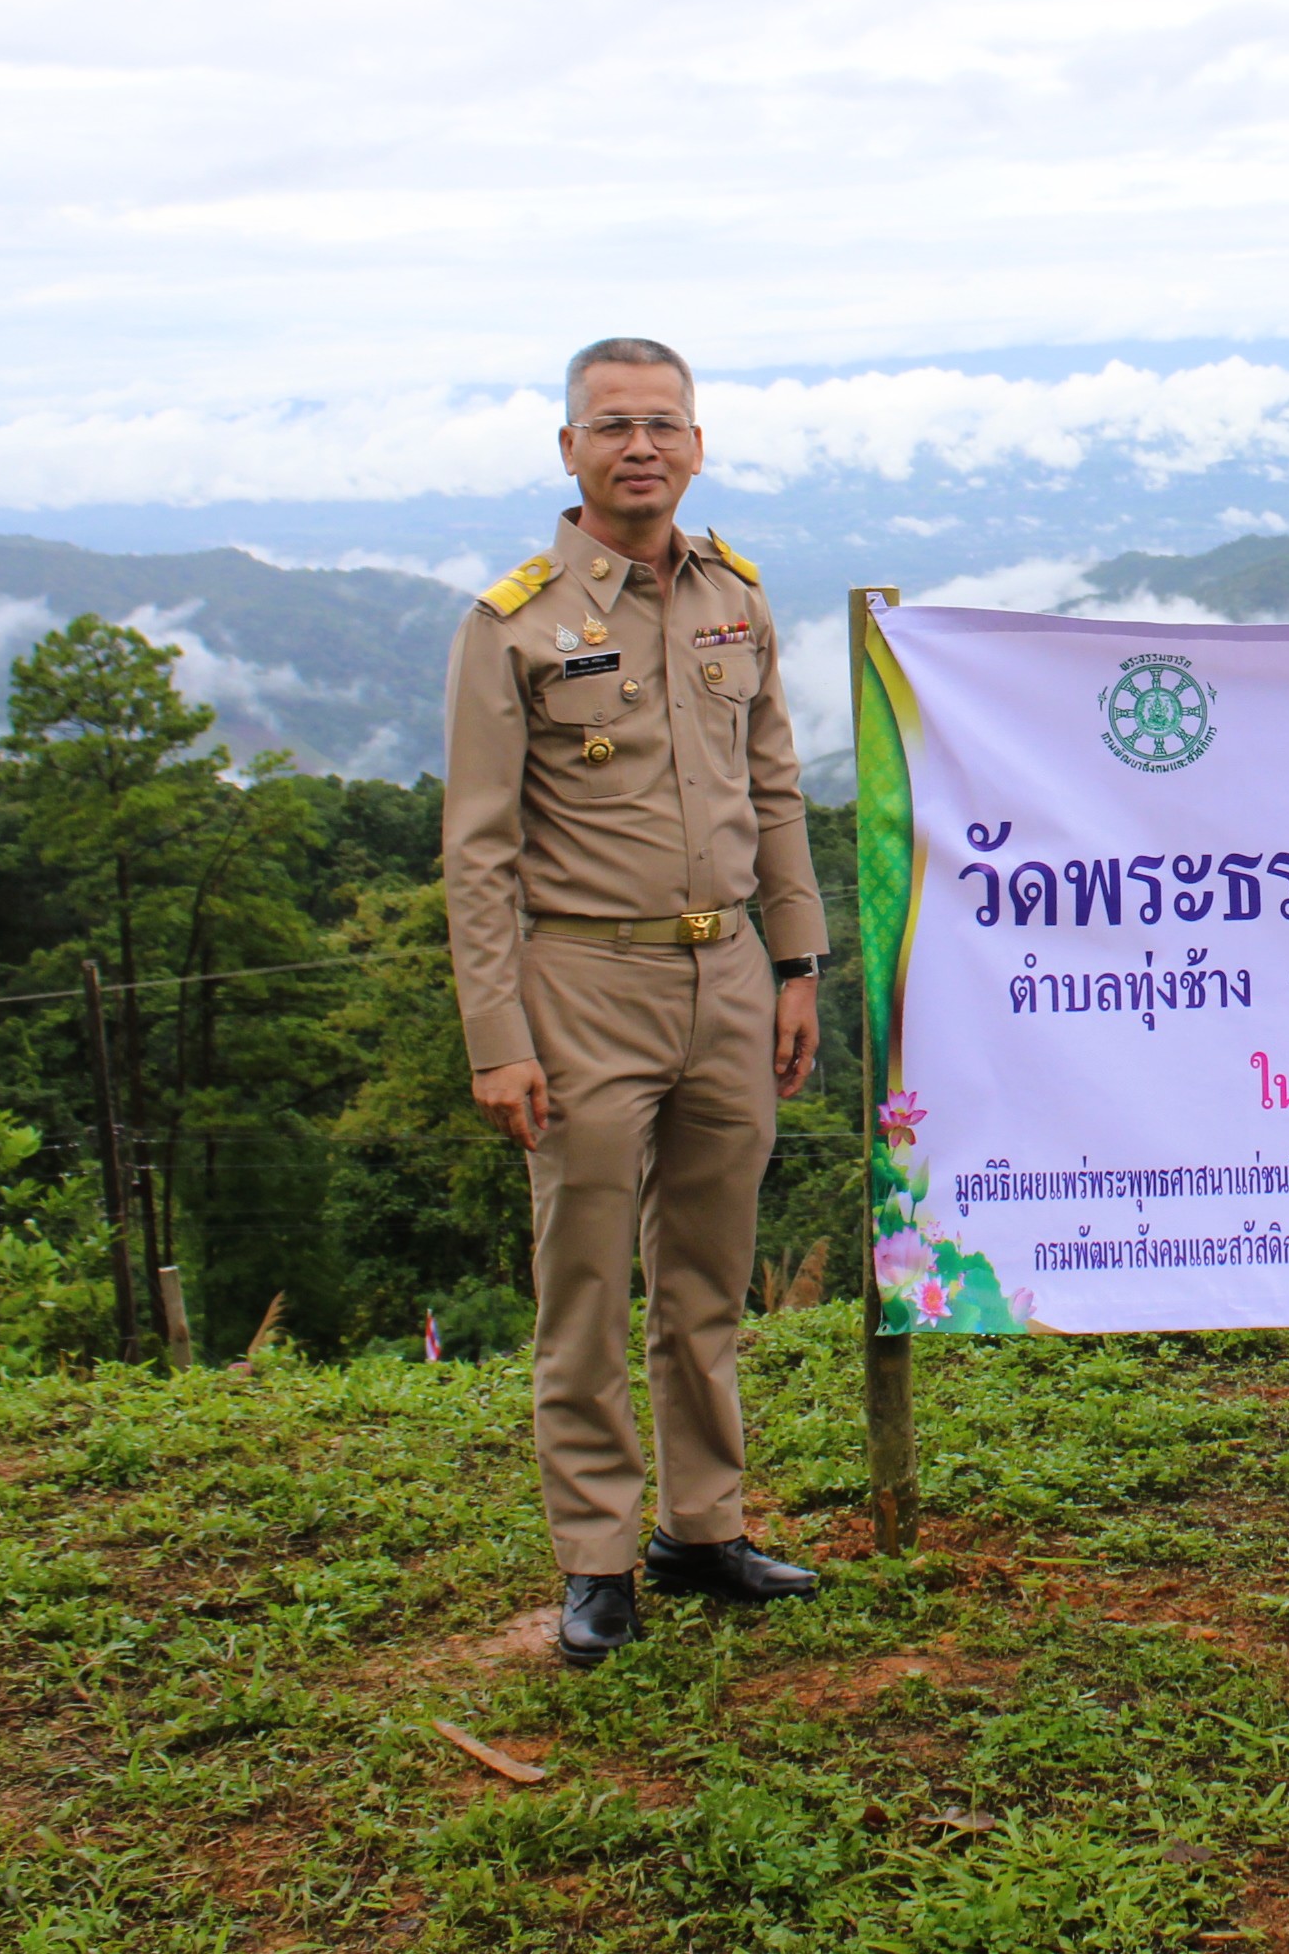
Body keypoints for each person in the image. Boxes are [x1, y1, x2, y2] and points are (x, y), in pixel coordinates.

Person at [446, 336, 834, 1667]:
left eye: (663, 424)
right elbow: (479, 851)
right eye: (611, 426)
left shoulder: (735, 598)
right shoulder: (513, 625)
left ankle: (704, 1527)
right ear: (568, 450)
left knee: (709, 1277)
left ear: (697, 443)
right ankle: (596, 1555)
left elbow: (771, 786)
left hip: (727, 969)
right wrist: (498, 1039)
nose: (640, 448)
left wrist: (796, 965)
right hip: (584, 982)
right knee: (587, 1281)